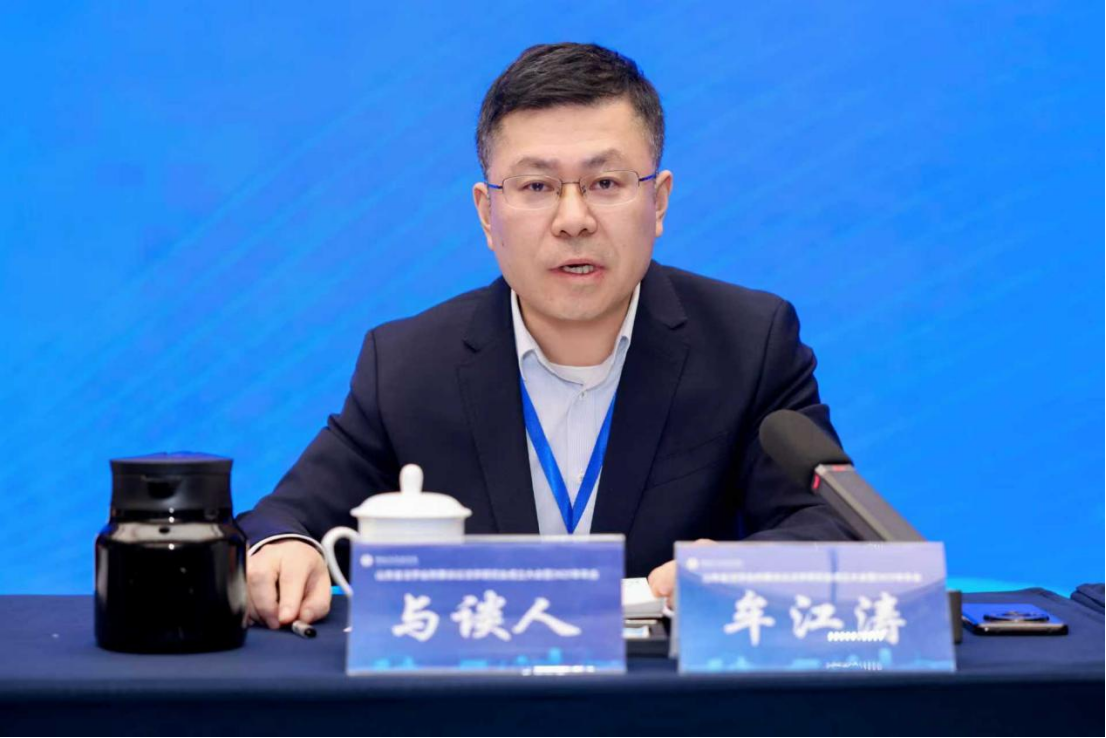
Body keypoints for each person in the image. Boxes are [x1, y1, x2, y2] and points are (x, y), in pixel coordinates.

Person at [237, 42, 854, 631]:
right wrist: (284, 545)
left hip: (663, 687)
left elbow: (829, 524)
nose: (573, 220)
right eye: (536, 187)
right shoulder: (408, 364)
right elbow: (284, 517)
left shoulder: (749, 343)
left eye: (606, 183)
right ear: (487, 214)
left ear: (659, 203)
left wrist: (741, 570)